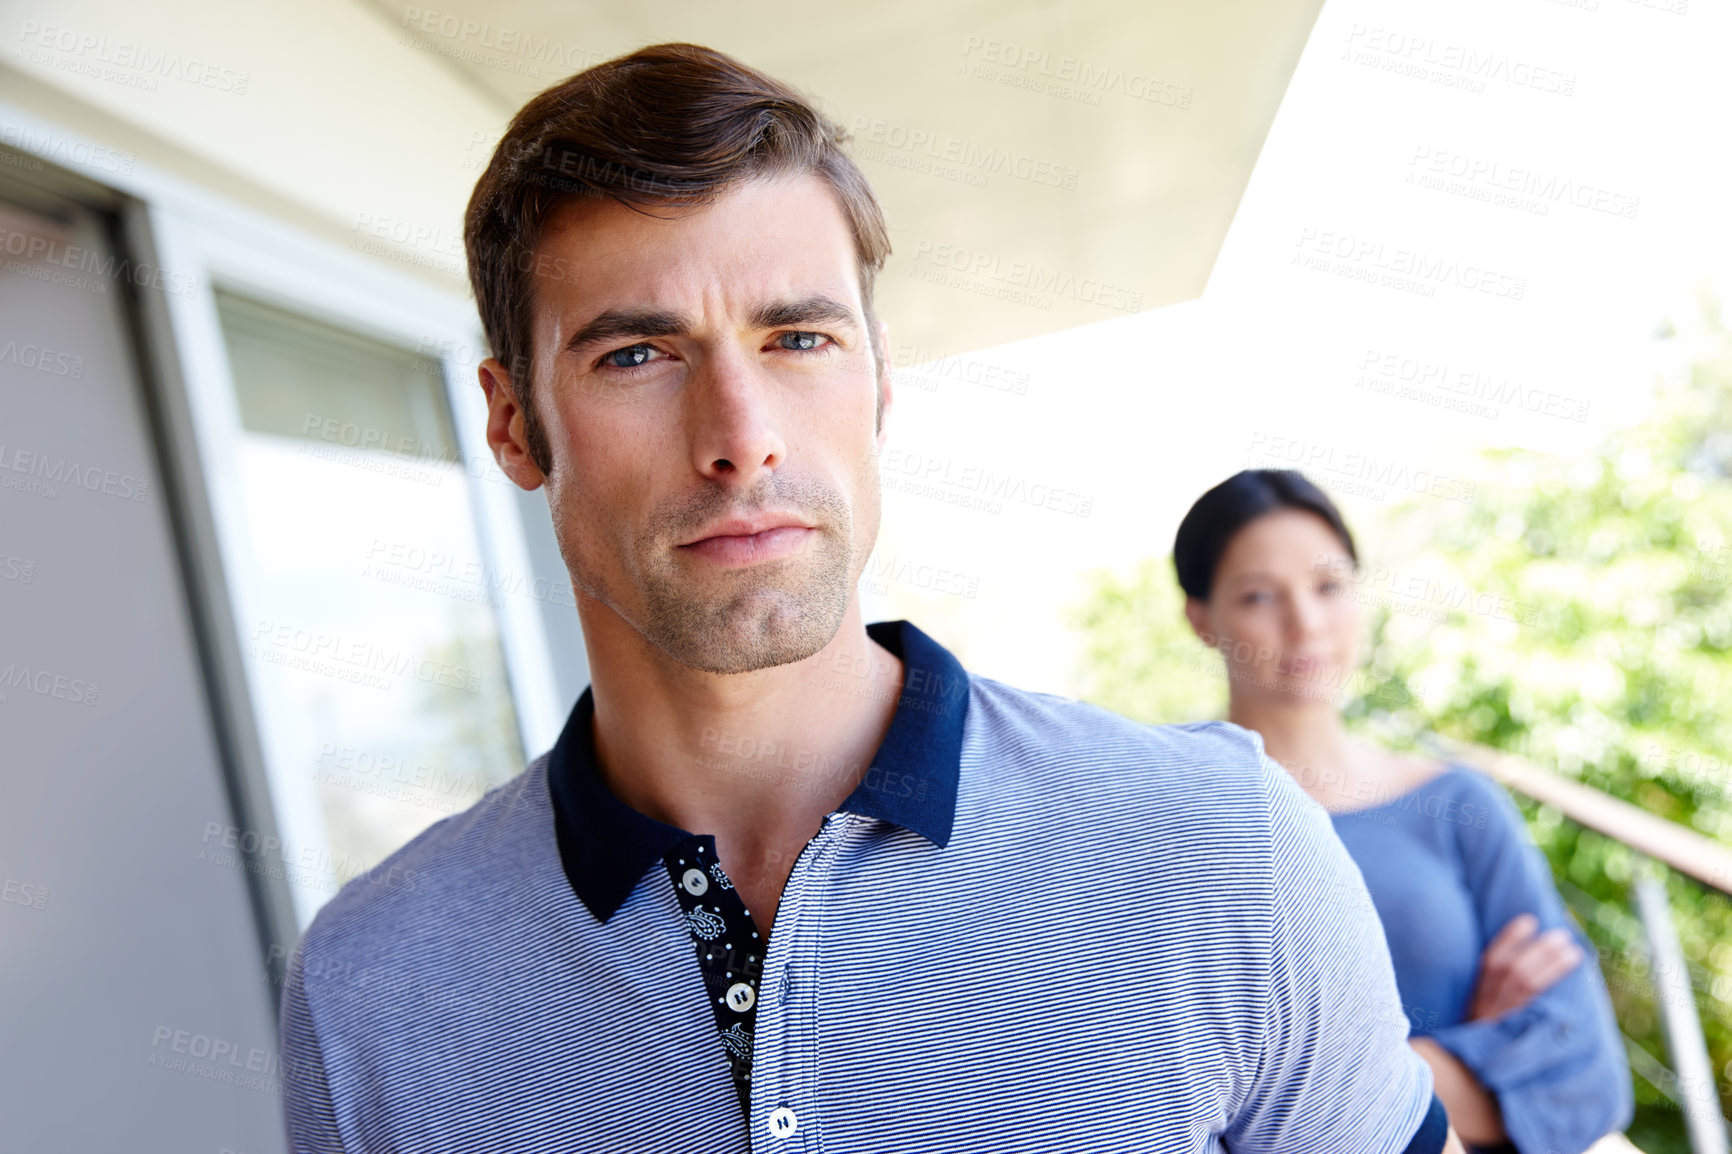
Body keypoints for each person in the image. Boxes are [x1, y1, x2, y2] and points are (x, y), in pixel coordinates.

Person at [277, 44, 1468, 1152]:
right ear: (511, 421)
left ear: (881, 381)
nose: (741, 437)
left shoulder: (1226, 852)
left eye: (797, 337)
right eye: (635, 355)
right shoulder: (373, 988)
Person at [1171, 468, 1634, 1153]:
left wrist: (1281, 1087)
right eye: (1259, 596)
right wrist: (1471, 1057)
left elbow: (1584, 1079)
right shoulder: (1168, 806)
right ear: (1202, 619)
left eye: (1329, 587)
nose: (1306, 624)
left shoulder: (1459, 805)